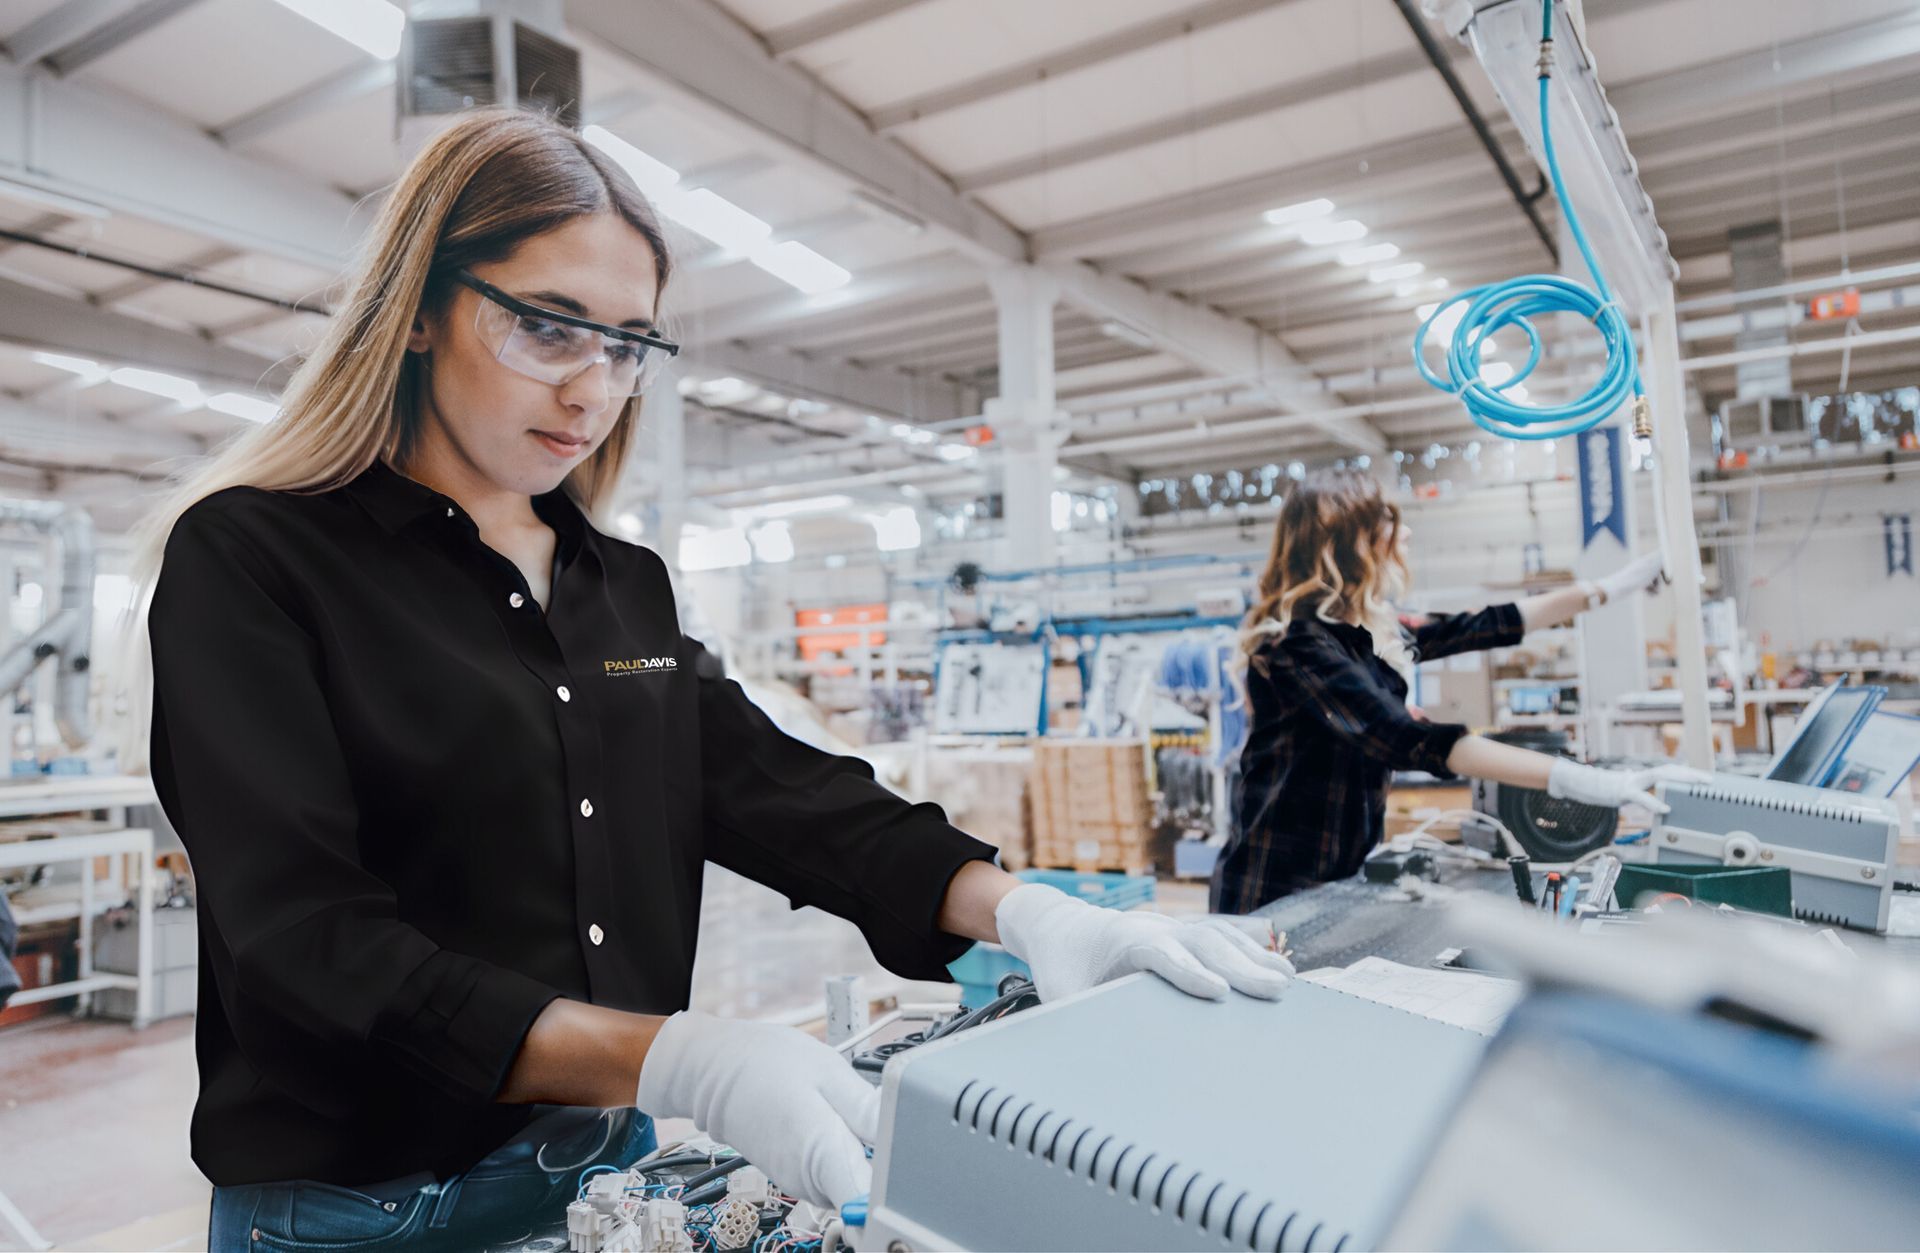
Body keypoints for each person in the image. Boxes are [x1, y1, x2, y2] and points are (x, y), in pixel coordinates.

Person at [128, 109, 1293, 1253]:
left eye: (627, 345)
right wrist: (674, 1056)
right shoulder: (257, 559)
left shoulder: (619, 584)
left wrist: (1027, 909)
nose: (591, 388)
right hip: (362, 1212)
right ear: (423, 308)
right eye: (549, 328)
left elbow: (772, 786)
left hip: (607, 1177)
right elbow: (303, 943)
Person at [1211, 468, 1703, 914]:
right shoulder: (1298, 645)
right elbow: (1404, 737)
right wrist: (1591, 783)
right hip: (1272, 890)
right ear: (1351, 541)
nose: (1404, 532)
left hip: (1332, 876)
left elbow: (1486, 625)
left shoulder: (1371, 630)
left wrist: (1611, 588)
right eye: (1387, 520)